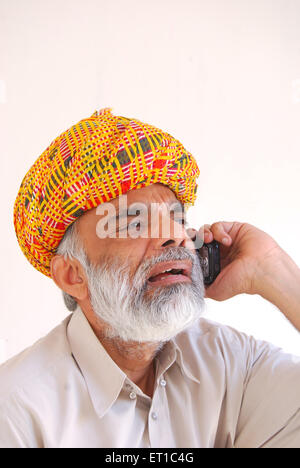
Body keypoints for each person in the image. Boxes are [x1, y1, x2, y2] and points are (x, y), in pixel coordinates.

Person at [1, 108, 299, 448]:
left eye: (176, 217)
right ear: (72, 275)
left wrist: (274, 270)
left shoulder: (231, 363)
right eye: (134, 223)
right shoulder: (16, 412)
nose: (172, 236)